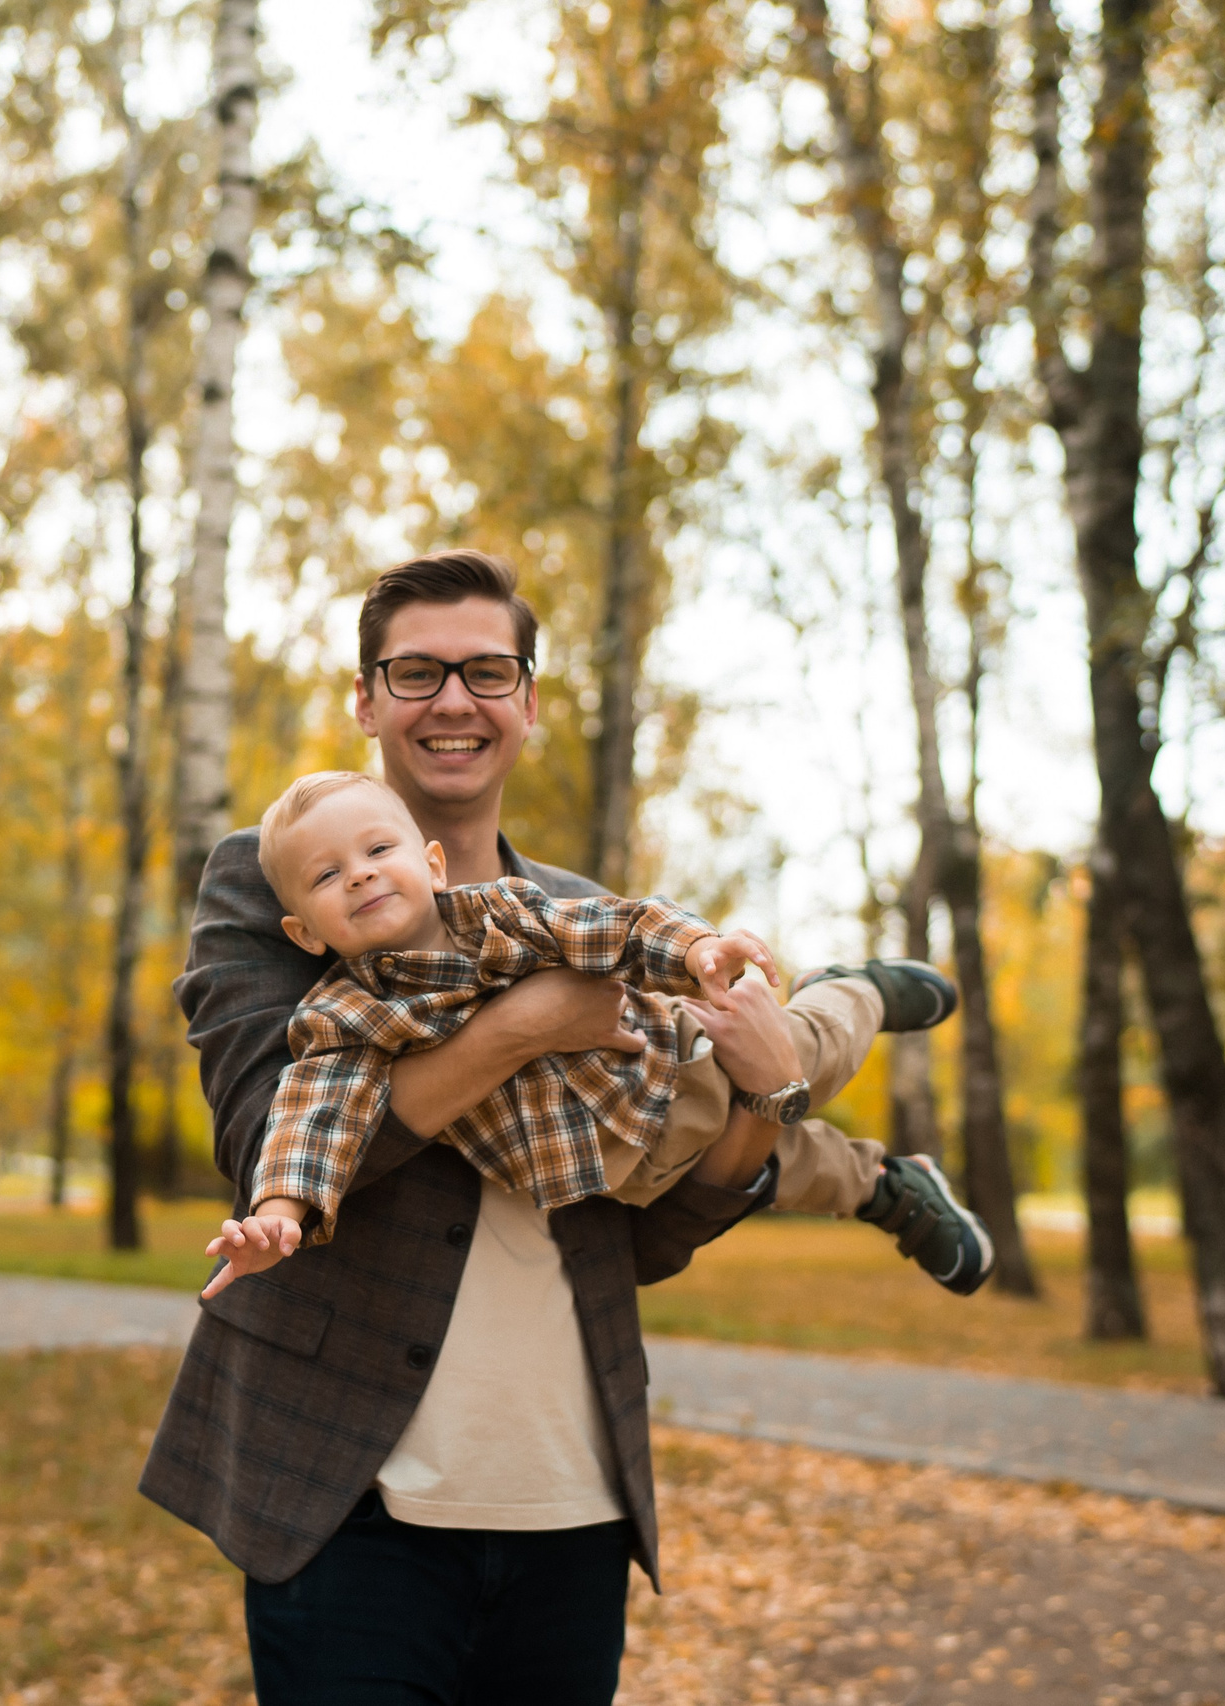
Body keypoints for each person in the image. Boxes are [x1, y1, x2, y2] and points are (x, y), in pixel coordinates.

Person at [141, 550, 980, 1705]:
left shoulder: (581, 914)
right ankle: (876, 1156)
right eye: (416, 670)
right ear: (365, 698)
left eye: (487, 670)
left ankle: (862, 1054)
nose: (452, 699)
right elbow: (265, 1138)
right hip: (353, 1503)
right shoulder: (285, 880)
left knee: (768, 1060)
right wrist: (527, 1024)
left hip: (571, 1500)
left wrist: (762, 1098)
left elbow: (646, 1232)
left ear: (527, 702)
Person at [200, 768, 992, 1298]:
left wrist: (696, 948)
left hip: (680, 1063)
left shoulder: (502, 914)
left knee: (811, 1051)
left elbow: (611, 930)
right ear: (305, 934)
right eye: (329, 875)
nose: (362, 874)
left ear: (433, 864)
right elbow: (312, 1121)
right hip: (622, 1173)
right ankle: (888, 1188)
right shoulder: (342, 1021)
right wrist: (279, 1213)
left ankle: (856, 991)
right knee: (796, 1171)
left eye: (377, 851)